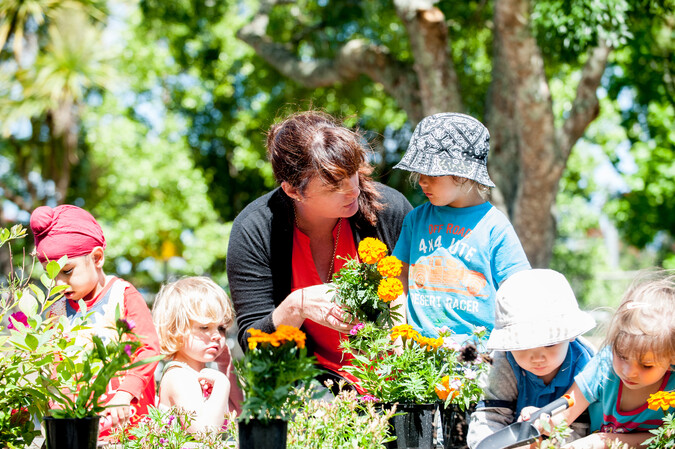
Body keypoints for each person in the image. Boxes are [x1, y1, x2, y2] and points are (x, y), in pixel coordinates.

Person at [226, 110, 413, 386]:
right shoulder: (253, 230)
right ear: (292, 191)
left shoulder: (389, 209)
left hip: (390, 379)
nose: (353, 190)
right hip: (306, 386)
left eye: (353, 173)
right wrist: (295, 307)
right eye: (334, 185)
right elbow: (256, 351)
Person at [392, 112, 530, 342]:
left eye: (432, 172)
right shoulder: (416, 220)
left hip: (475, 361)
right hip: (417, 358)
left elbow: (517, 290)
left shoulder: (495, 226)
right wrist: (397, 332)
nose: (422, 181)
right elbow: (399, 275)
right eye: (419, 172)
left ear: (464, 174)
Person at [29, 205, 160, 437]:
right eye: (51, 274)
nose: (58, 283)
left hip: (130, 431)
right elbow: (52, 368)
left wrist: (124, 395)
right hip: (79, 433)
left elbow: (147, 348)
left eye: (67, 271)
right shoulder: (54, 311)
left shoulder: (123, 295)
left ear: (97, 257)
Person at [520, 269, 675, 449]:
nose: (629, 371)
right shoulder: (604, 367)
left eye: (647, 365)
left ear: (671, 357)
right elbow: (565, 414)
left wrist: (602, 441)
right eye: (622, 356)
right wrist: (542, 420)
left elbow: (667, 439)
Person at [467, 269, 596, 448]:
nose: (537, 358)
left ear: (571, 334)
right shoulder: (504, 361)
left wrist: (543, 439)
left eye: (550, 344)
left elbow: (583, 432)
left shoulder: (585, 366)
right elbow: (489, 417)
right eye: (522, 346)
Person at [152, 276, 243, 431]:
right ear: (176, 330)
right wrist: (222, 383)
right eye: (204, 327)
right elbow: (205, 431)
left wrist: (226, 366)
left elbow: (238, 415)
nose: (216, 336)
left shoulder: (199, 374)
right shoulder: (178, 376)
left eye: (221, 328)